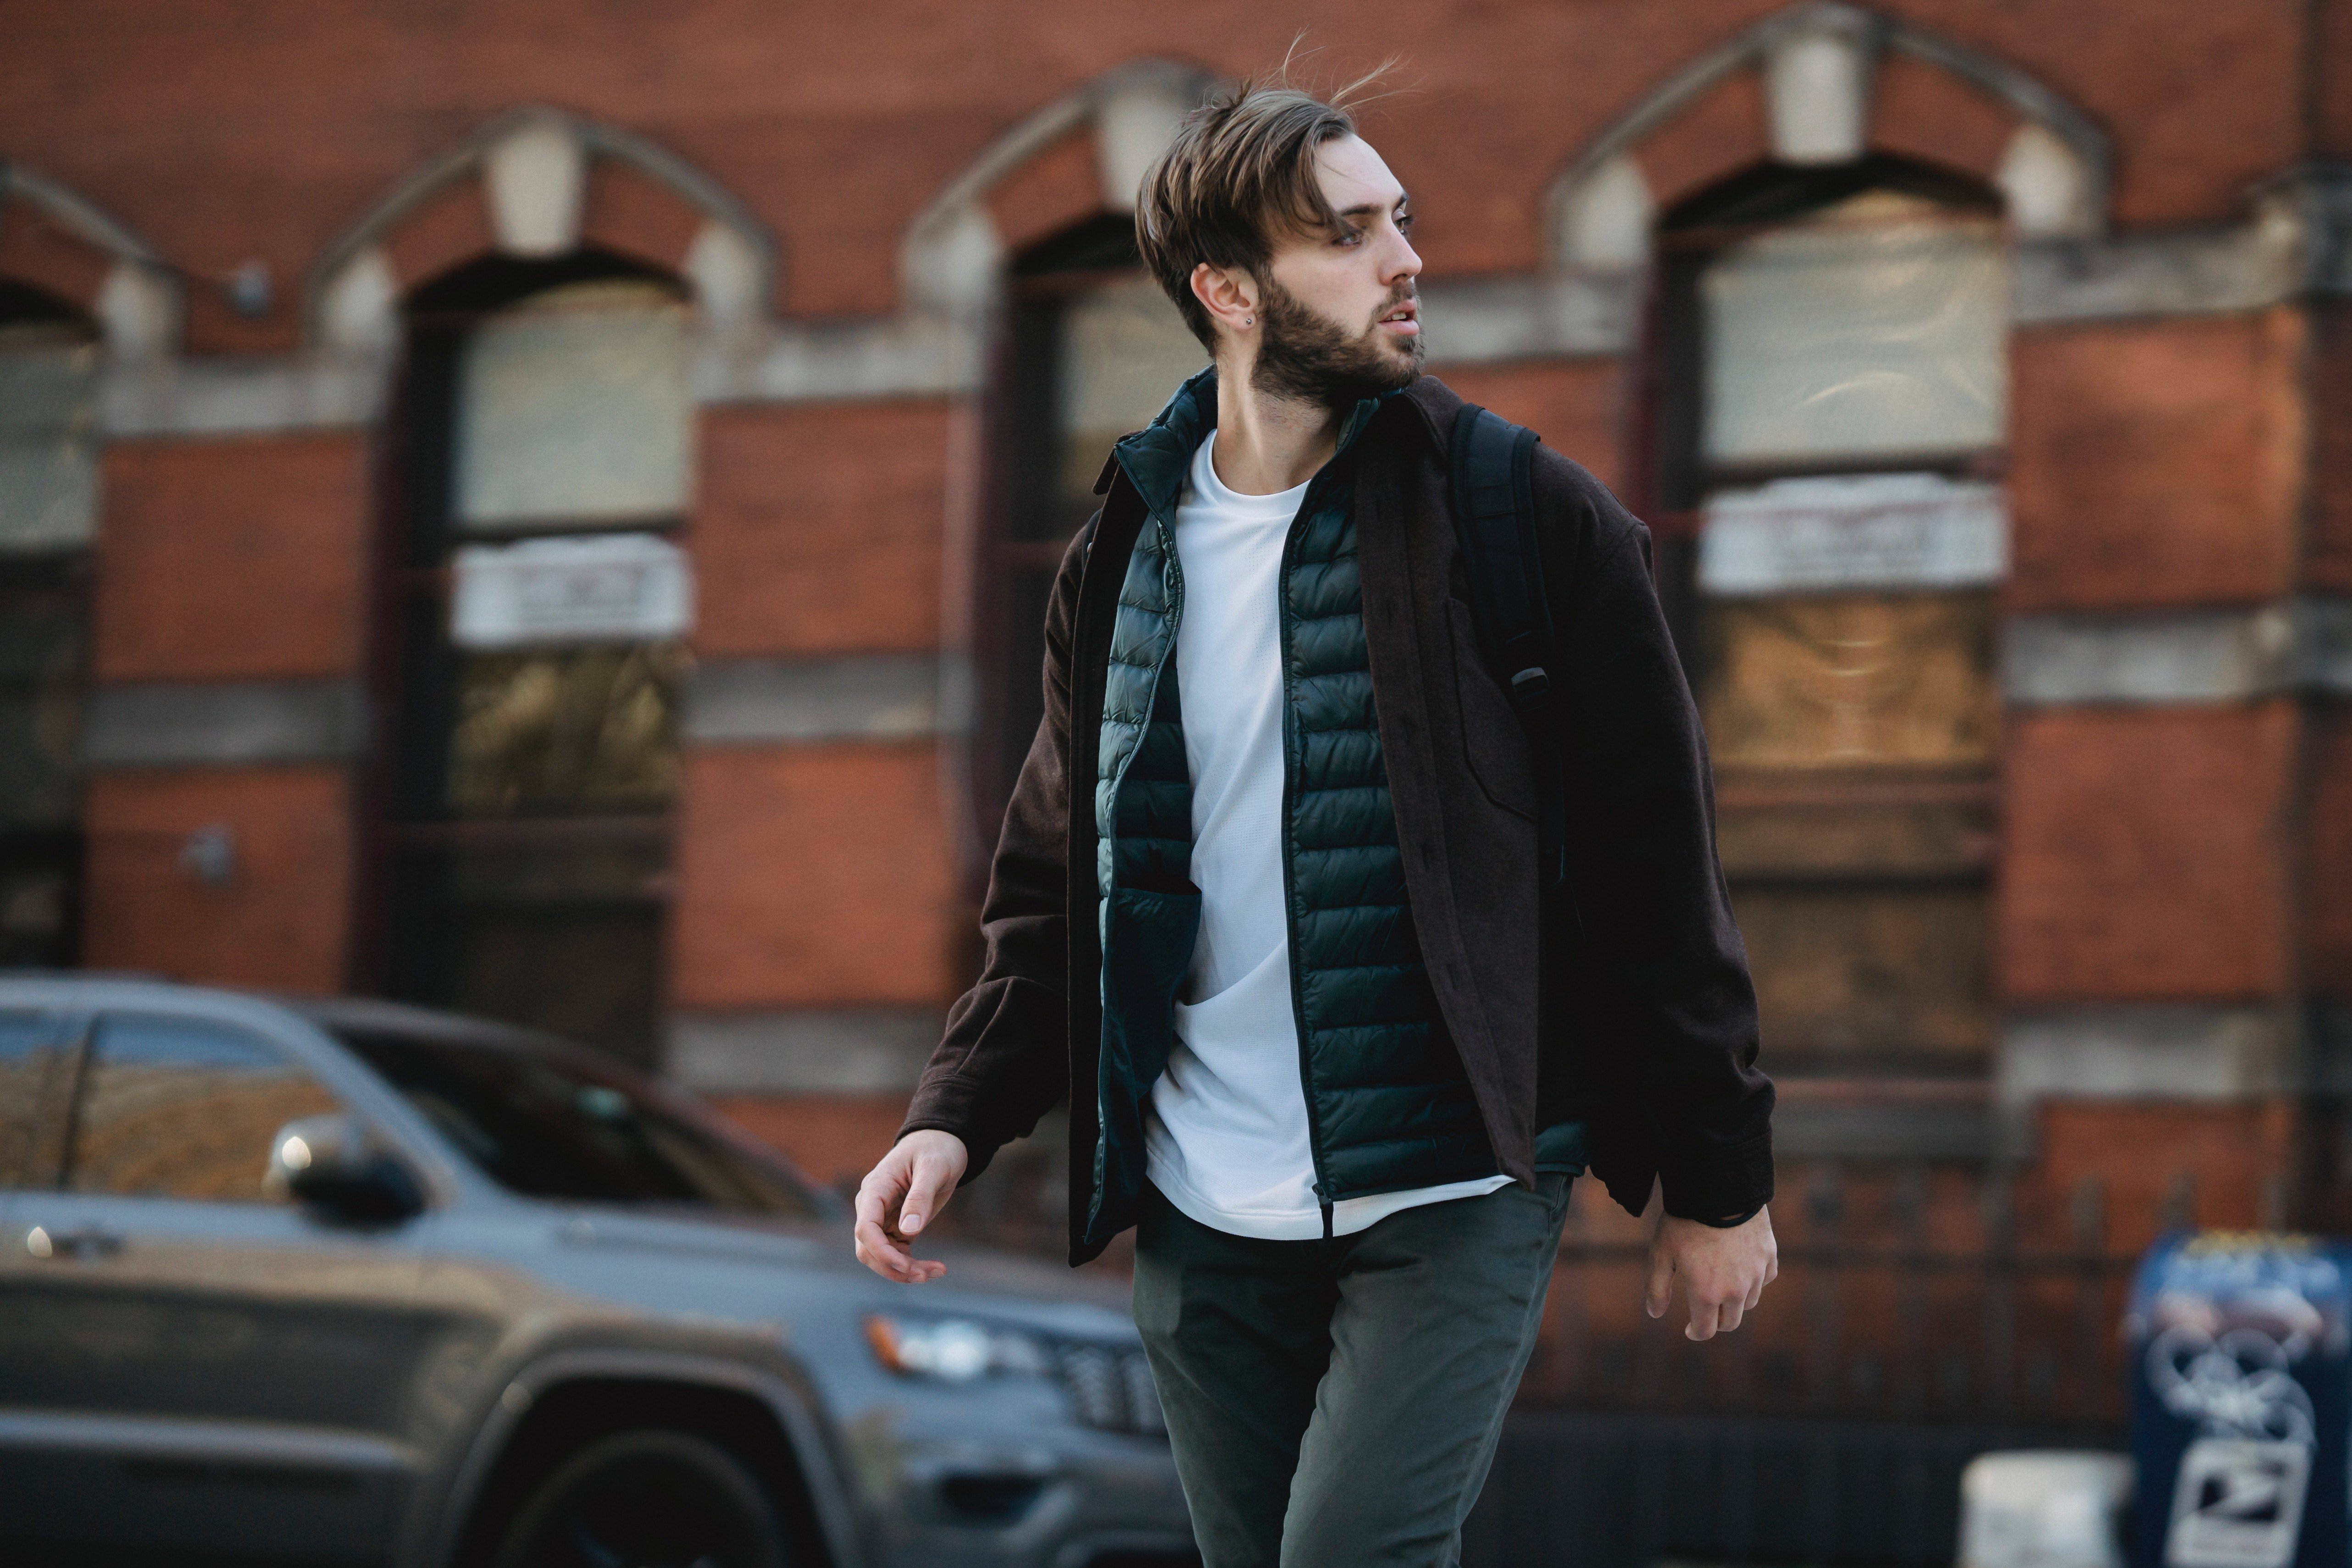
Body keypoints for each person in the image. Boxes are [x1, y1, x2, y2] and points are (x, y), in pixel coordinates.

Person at [854, 66, 1778, 1567]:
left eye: (1401, 221)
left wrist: (1719, 1176)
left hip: (1456, 1175)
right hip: (1206, 1204)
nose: (1407, 260)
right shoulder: (1128, 552)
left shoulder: (1526, 516)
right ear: (1228, 289)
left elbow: (1661, 873)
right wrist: (959, 1108)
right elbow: (1057, 881)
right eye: (1350, 234)